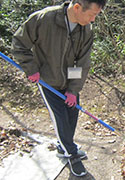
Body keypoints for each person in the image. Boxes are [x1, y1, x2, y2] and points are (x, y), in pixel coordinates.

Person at [11, 0, 107, 177]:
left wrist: (73, 89)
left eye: (96, 15)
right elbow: (19, 43)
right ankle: (72, 155)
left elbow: (82, 62)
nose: (93, 19)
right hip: (48, 81)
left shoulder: (85, 29)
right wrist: (31, 68)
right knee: (60, 119)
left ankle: (63, 147)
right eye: (92, 14)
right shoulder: (43, 19)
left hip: (70, 81)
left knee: (71, 117)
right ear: (77, 7)